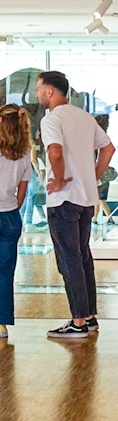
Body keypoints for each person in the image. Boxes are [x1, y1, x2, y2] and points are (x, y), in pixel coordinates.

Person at [36, 70, 115, 338]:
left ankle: (78, 321)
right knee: (83, 257)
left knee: (69, 260)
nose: (37, 94)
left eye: (39, 89)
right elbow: (108, 149)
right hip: (84, 201)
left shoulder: (51, 120)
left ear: (50, 91)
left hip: (63, 200)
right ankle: (90, 317)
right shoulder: (84, 117)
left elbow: (55, 152)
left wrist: (58, 180)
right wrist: (92, 177)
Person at [0, 104, 32, 338]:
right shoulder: (23, 155)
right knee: (5, 272)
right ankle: (1, 324)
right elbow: (22, 194)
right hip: (11, 216)